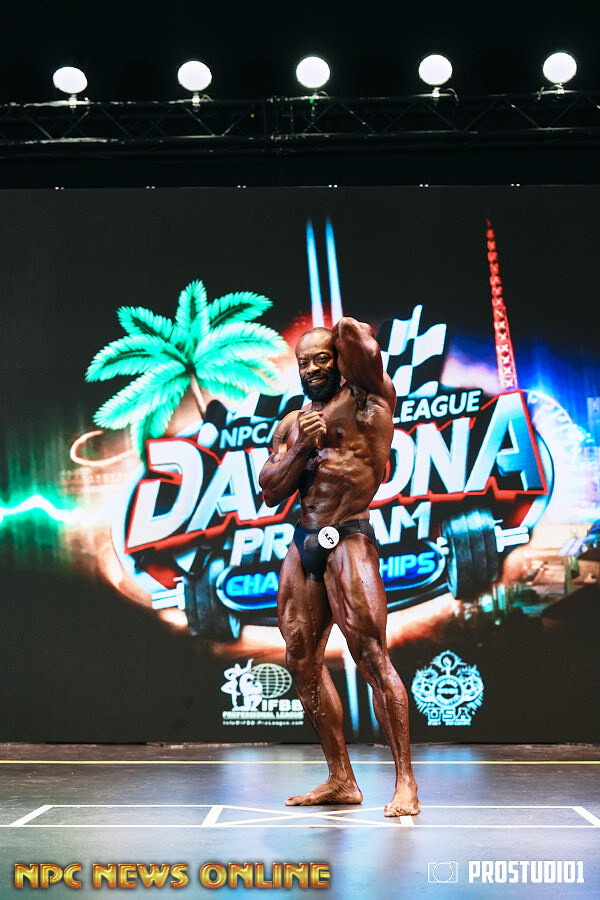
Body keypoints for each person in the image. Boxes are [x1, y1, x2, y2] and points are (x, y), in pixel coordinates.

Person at [259, 318, 420, 817]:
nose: (311, 369)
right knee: (300, 658)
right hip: (303, 541)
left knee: (370, 655)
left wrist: (340, 334)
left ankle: (406, 784)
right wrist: (302, 446)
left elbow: (356, 335)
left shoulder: (369, 399)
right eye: (303, 363)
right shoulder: (292, 423)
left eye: (321, 359)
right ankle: (341, 779)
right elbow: (270, 490)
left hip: (349, 535)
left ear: (341, 361)